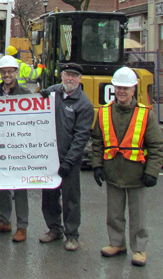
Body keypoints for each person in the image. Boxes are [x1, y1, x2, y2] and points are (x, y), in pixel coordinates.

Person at [91, 67, 163, 266]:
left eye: (126, 88)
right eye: (118, 88)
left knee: (138, 215)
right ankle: (117, 243)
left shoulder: (145, 115)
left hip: (137, 174)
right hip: (113, 171)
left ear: (134, 90)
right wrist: (97, 165)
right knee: (114, 213)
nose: (121, 91)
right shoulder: (104, 113)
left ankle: (139, 249)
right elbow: (97, 141)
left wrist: (152, 172)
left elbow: (157, 146)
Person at [38, 63, 94, 251]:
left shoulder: (84, 104)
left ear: (79, 79)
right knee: (49, 196)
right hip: (49, 158)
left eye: (74, 76)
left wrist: (69, 161)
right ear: (61, 75)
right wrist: (42, 94)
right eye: (67, 74)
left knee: (70, 198)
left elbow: (81, 136)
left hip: (69, 160)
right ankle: (54, 229)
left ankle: (72, 235)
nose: (70, 79)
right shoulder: (53, 93)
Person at [0, 55, 33, 242]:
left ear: (16, 72)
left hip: (18, 148)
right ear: (0, 73)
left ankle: (22, 226)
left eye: (10, 71)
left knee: (20, 187)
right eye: (4, 71)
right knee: (2, 186)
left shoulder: (25, 95)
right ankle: (5, 220)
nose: (7, 75)